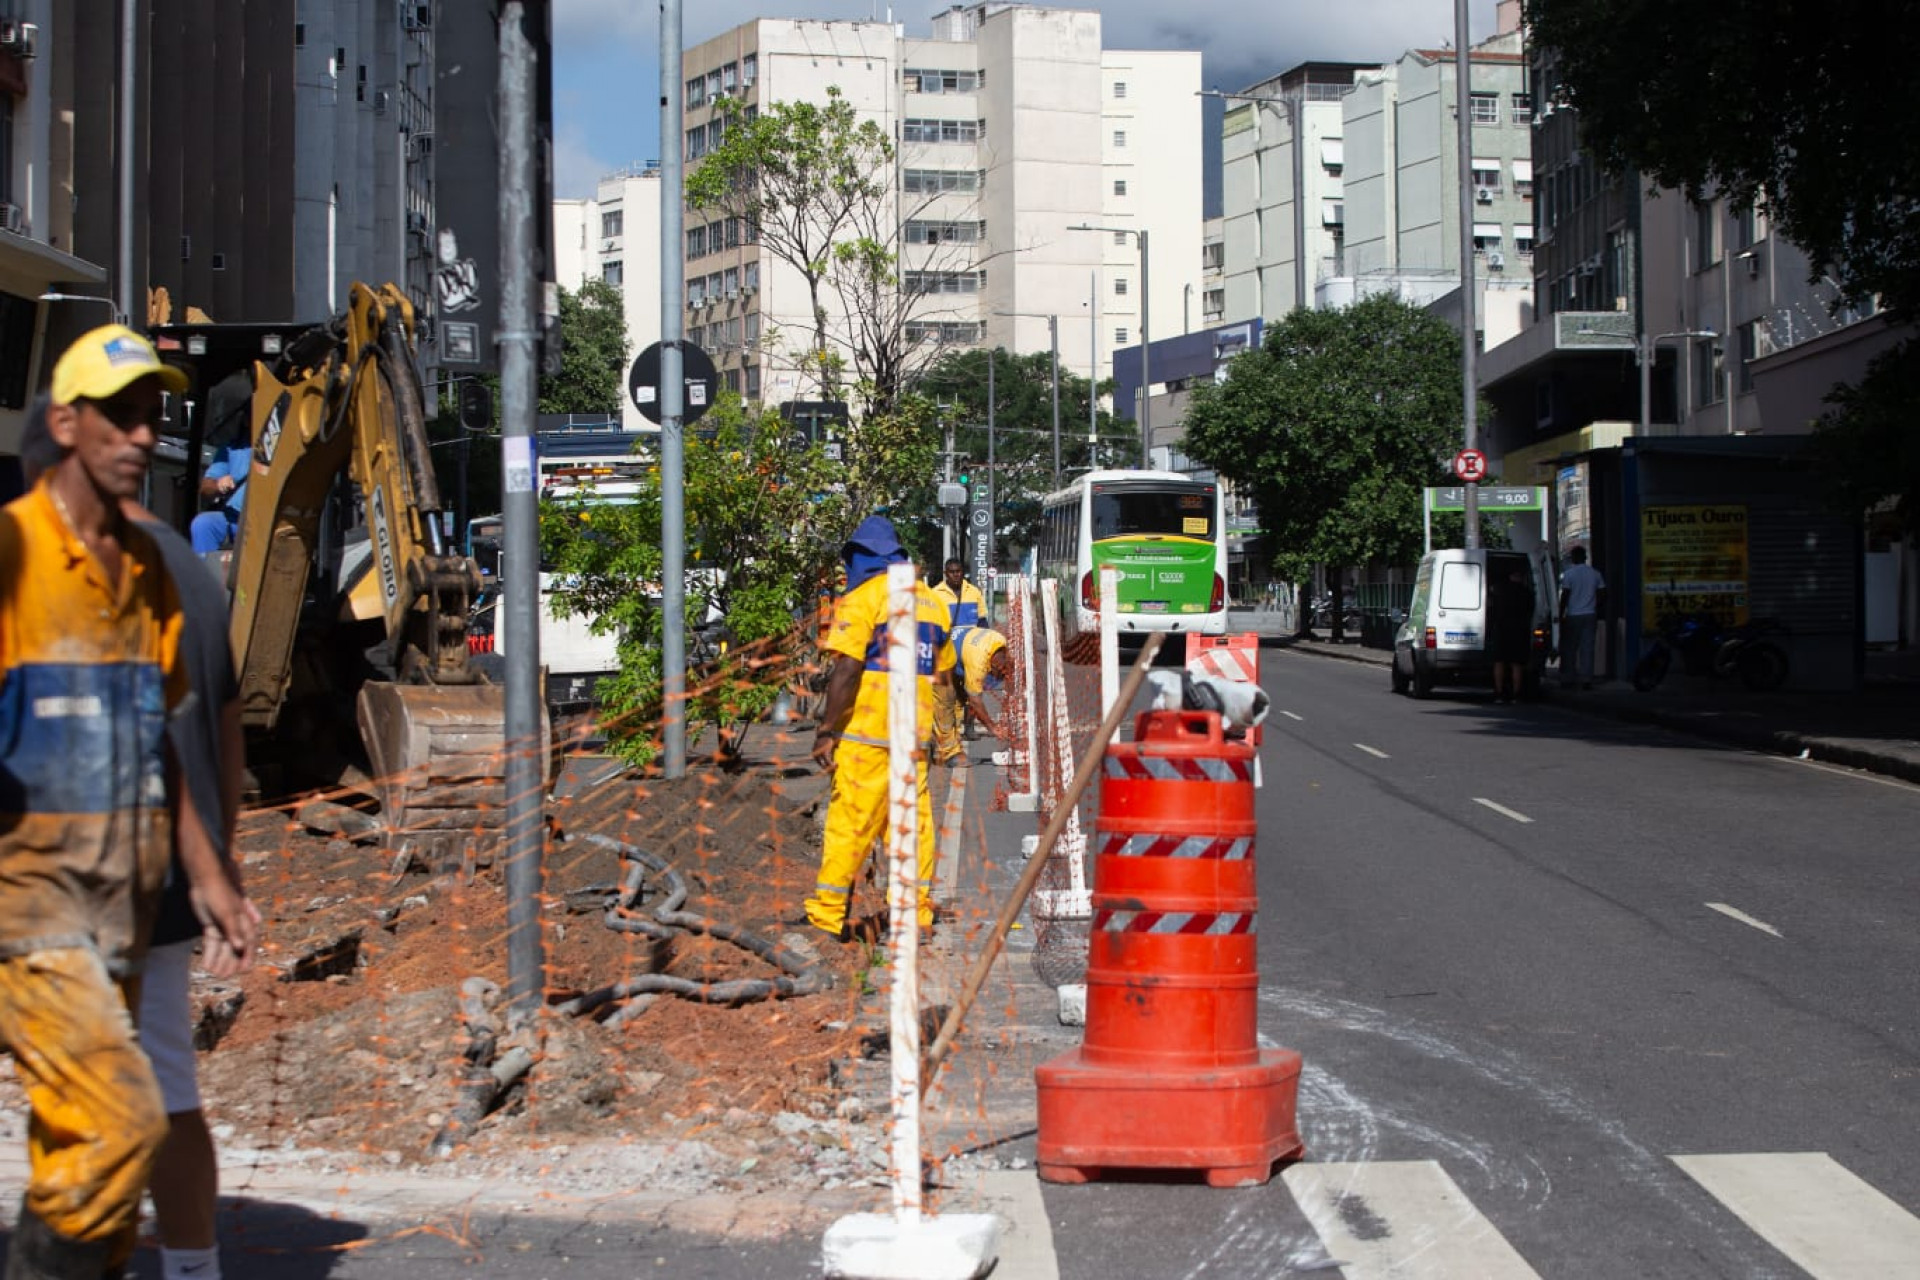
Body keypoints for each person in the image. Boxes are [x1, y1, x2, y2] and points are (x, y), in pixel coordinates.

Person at [0, 328, 258, 1279]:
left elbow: (161, 744)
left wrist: (212, 872)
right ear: (64, 424)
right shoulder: (13, 554)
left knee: (88, 1154)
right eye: (120, 415)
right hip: (37, 905)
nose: (144, 436)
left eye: (153, 415)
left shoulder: (149, 573)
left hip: (127, 902)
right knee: (124, 1113)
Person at [805, 517, 955, 940]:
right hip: (912, 739)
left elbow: (848, 669)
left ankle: (828, 914)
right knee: (912, 828)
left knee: (851, 824)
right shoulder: (931, 603)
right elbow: (944, 678)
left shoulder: (864, 598)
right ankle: (915, 916)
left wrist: (826, 729)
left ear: (861, 558)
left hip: (867, 738)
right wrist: (945, 738)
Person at [950, 625, 1014, 741]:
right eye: (1001, 675)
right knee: (949, 697)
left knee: (971, 691)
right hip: (949, 651)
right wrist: (993, 728)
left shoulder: (1001, 641)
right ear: (996, 666)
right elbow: (975, 701)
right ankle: (944, 738)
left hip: (965, 637)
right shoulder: (978, 664)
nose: (1000, 679)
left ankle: (968, 728)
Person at [1558, 545, 1607, 690]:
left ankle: (1568, 678)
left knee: (1569, 648)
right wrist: (1595, 606)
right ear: (1585, 557)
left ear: (1573, 558)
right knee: (1587, 648)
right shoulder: (1595, 573)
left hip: (1573, 615)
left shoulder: (1569, 574)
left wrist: (1560, 614)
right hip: (1590, 614)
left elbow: (1565, 596)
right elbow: (1603, 593)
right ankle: (1586, 679)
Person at [1488, 563, 1534, 704]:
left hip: (1501, 629)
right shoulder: (1526, 592)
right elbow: (1530, 612)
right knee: (1516, 664)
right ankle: (1516, 694)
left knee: (1499, 662)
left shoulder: (1499, 591)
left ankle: (1499, 694)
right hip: (1519, 631)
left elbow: (1492, 610)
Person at [931, 558, 985, 629]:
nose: (955, 575)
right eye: (951, 572)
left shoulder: (974, 591)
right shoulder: (935, 593)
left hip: (971, 638)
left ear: (962, 572)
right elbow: (932, 622)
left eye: (958, 571)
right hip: (948, 639)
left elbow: (982, 620)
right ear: (945, 573)